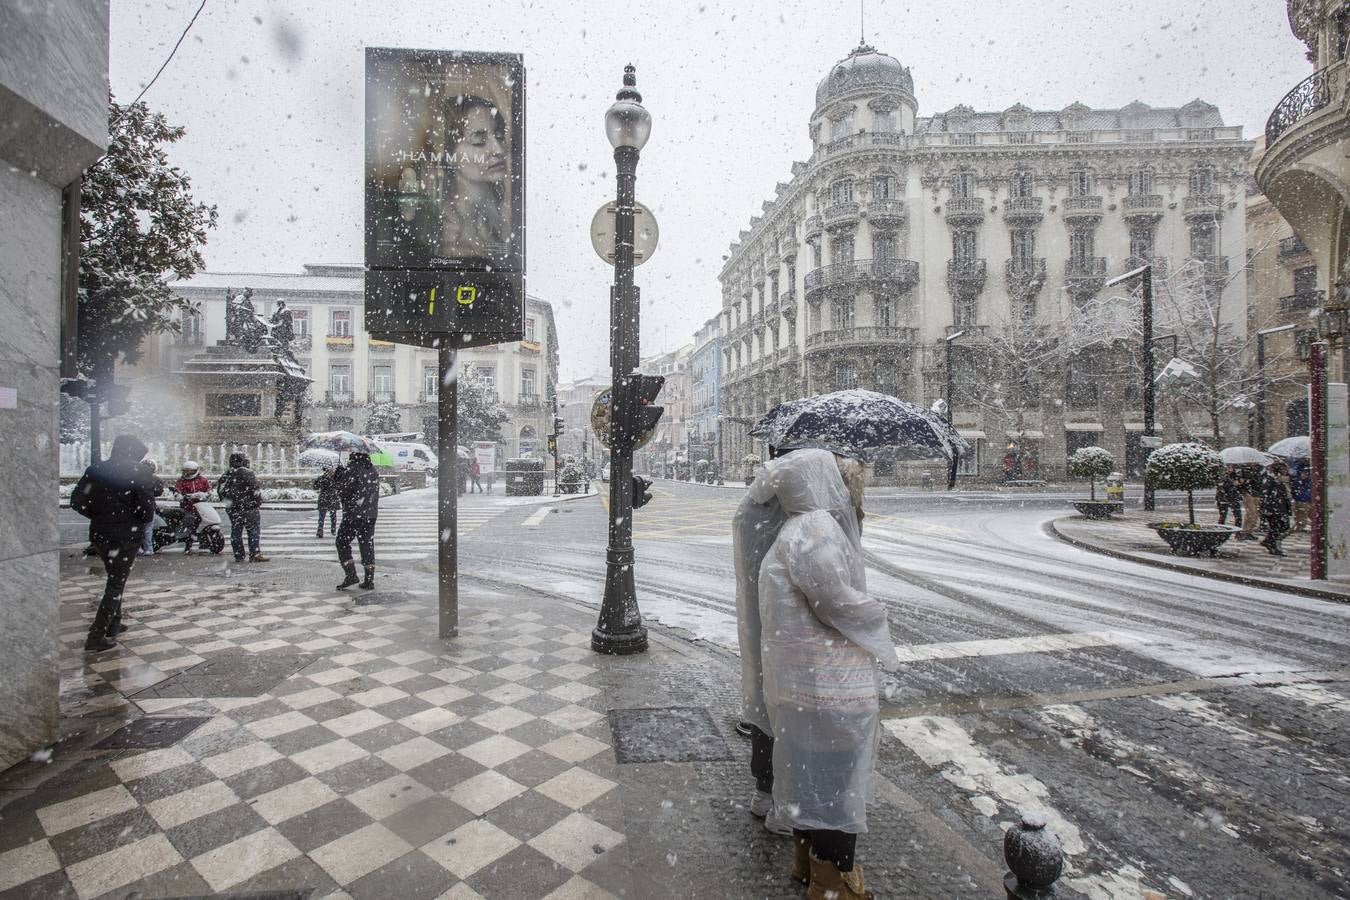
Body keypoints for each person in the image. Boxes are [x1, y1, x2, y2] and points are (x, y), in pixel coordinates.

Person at [751, 449, 900, 899]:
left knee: (810, 777)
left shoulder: (793, 528)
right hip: (830, 689)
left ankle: (807, 863)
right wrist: (876, 614)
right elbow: (834, 601)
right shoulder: (815, 529)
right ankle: (831, 883)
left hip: (800, 686)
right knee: (836, 786)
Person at [733, 447, 790, 835]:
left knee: (762, 697)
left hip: (757, 620)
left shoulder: (750, 505)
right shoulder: (799, 512)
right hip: (790, 627)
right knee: (788, 705)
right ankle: (784, 794)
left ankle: (763, 788)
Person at [70, 435, 158, 651]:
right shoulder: (140, 472)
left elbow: (77, 501)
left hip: (100, 535)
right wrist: (130, 520)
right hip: (126, 536)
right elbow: (147, 512)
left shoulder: (96, 470)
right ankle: (96, 636)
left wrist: (100, 516)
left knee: (114, 578)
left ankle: (114, 624)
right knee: (116, 584)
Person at [439, 94, 510, 259]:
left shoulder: (500, 220)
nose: (498, 150)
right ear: (450, 153)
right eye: (479, 140)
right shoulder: (445, 228)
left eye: (499, 136)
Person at [335, 450, 380, 590]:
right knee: (367, 543)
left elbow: (344, 492)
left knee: (342, 541)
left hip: (354, 514)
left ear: (353, 458)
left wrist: (338, 477)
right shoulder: (372, 470)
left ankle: (351, 574)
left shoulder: (352, 470)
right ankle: (369, 579)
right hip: (370, 514)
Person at [217, 453, 269, 562]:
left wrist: (229, 504)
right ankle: (255, 553)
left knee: (236, 531)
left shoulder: (226, 474)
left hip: (233, 509)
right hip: (249, 507)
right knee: (253, 531)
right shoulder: (247, 473)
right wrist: (257, 502)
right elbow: (255, 490)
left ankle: (238, 555)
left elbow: (220, 491)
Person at [174, 460, 211, 553]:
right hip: (187, 507)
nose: (188, 473)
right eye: (186, 471)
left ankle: (204, 540)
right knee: (189, 523)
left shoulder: (203, 480)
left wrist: (206, 494)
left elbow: (209, 490)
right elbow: (177, 491)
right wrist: (179, 496)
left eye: (191, 471)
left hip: (202, 506)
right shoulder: (181, 481)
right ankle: (188, 544)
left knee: (205, 522)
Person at [1260, 460, 1292, 556]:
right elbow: (1266, 495)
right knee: (1275, 527)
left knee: (1282, 526)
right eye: (1284, 469)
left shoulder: (1280, 480)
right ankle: (1273, 546)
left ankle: (1268, 541)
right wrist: (1267, 508)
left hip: (1280, 507)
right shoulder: (1271, 479)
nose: (1286, 471)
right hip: (1274, 508)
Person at [139, 459, 165, 556]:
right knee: (148, 528)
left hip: (135, 506)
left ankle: (137, 548)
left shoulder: (134, 478)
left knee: (137, 527)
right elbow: (158, 492)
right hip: (148, 505)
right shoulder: (155, 479)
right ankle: (148, 549)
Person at [314, 465, 340, 538]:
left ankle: (330, 529)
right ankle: (322, 530)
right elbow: (315, 487)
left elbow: (315, 487)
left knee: (330, 516)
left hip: (326, 498)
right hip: (330, 499)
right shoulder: (333, 478)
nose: (330, 472)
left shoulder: (324, 478)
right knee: (325, 516)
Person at [1237, 465, 1262, 540]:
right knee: (1251, 513)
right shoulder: (1244, 471)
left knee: (1255, 514)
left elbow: (1258, 482)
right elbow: (1239, 483)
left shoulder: (1258, 470)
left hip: (1256, 494)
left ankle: (1249, 531)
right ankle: (1245, 531)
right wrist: (1244, 490)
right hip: (1248, 493)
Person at [1289, 457, 1312, 530]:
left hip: (1305, 500)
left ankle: (1302, 525)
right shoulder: (1297, 480)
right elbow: (1293, 489)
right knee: (1297, 513)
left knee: (1304, 513)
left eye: (1305, 474)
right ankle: (1299, 525)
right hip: (1297, 499)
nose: (1303, 475)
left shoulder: (1308, 481)